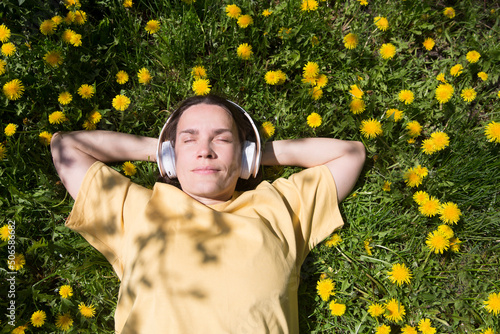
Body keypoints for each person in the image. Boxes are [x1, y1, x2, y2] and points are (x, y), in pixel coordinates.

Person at [51, 94, 365, 334]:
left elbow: (350, 154)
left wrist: (255, 154)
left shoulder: (279, 206)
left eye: (223, 139)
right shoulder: (137, 209)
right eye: (189, 139)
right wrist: (160, 149)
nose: (205, 149)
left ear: (243, 155)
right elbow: (67, 146)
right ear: (171, 156)